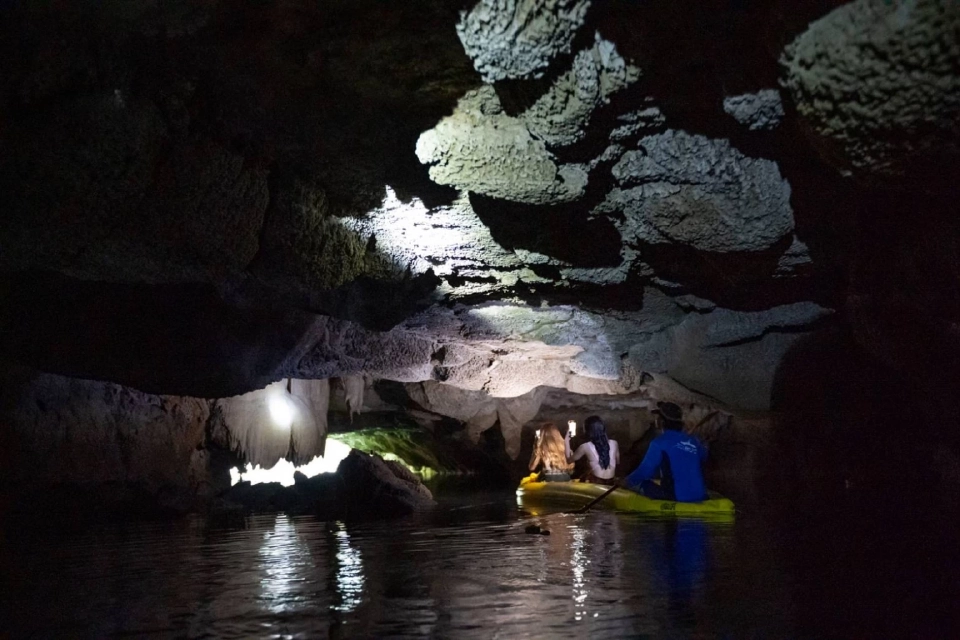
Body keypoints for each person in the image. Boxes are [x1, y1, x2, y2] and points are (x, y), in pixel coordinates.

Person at [623, 401, 708, 502]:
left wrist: (625, 482)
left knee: (642, 483)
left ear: (661, 422)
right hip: (701, 496)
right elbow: (704, 456)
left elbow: (644, 472)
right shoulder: (693, 441)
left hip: (674, 497)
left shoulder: (659, 443)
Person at [565, 415, 620, 484]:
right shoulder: (614, 443)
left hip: (596, 481)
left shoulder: (585, 446)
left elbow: (569, 460)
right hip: (611, 481)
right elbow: (618, 462)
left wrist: (566, 441)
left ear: (588, 431)